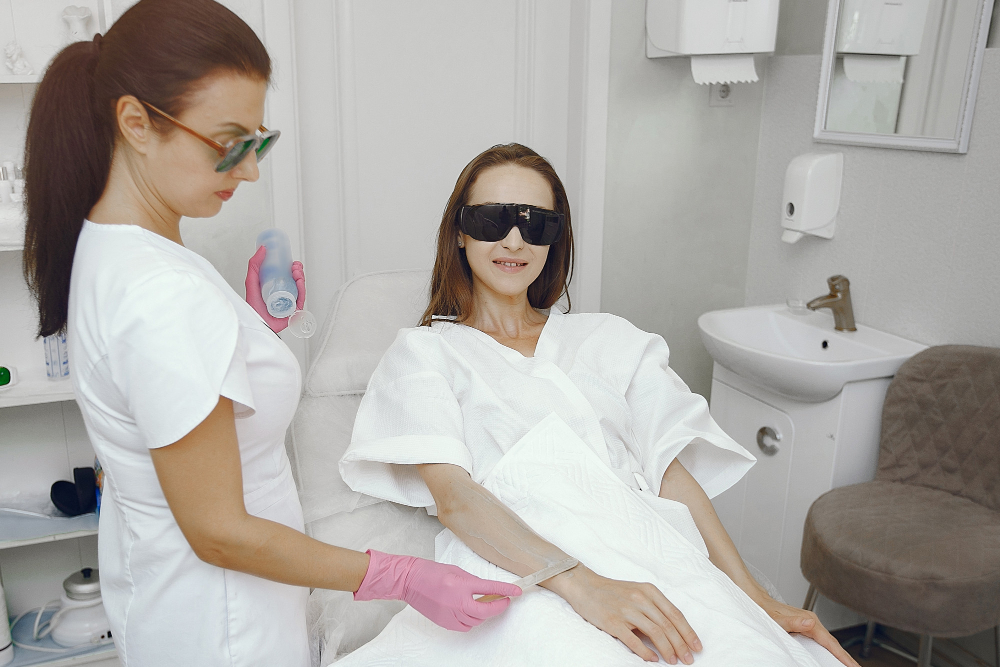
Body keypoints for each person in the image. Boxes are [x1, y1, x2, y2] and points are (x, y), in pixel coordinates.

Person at [20, 2, 518, 664]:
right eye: (230, 142)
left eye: (259, 140)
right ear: (137, 122)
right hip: (224, 627)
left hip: (172, 602)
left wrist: (252, 327)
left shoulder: (114, 250)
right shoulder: (162, 294)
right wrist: (400, 575)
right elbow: (221, 532)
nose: (250, 169)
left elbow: (169, 412)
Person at [338, 143, 862, 666]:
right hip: (523, 564)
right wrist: (583, 586)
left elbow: (672, 478)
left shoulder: (612, 340)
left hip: (652, 555)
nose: (514, 240)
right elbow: (455, 500)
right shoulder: (426, 352)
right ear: (459, 231)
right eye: (493, 219)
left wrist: (755, 598)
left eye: (535, 223)